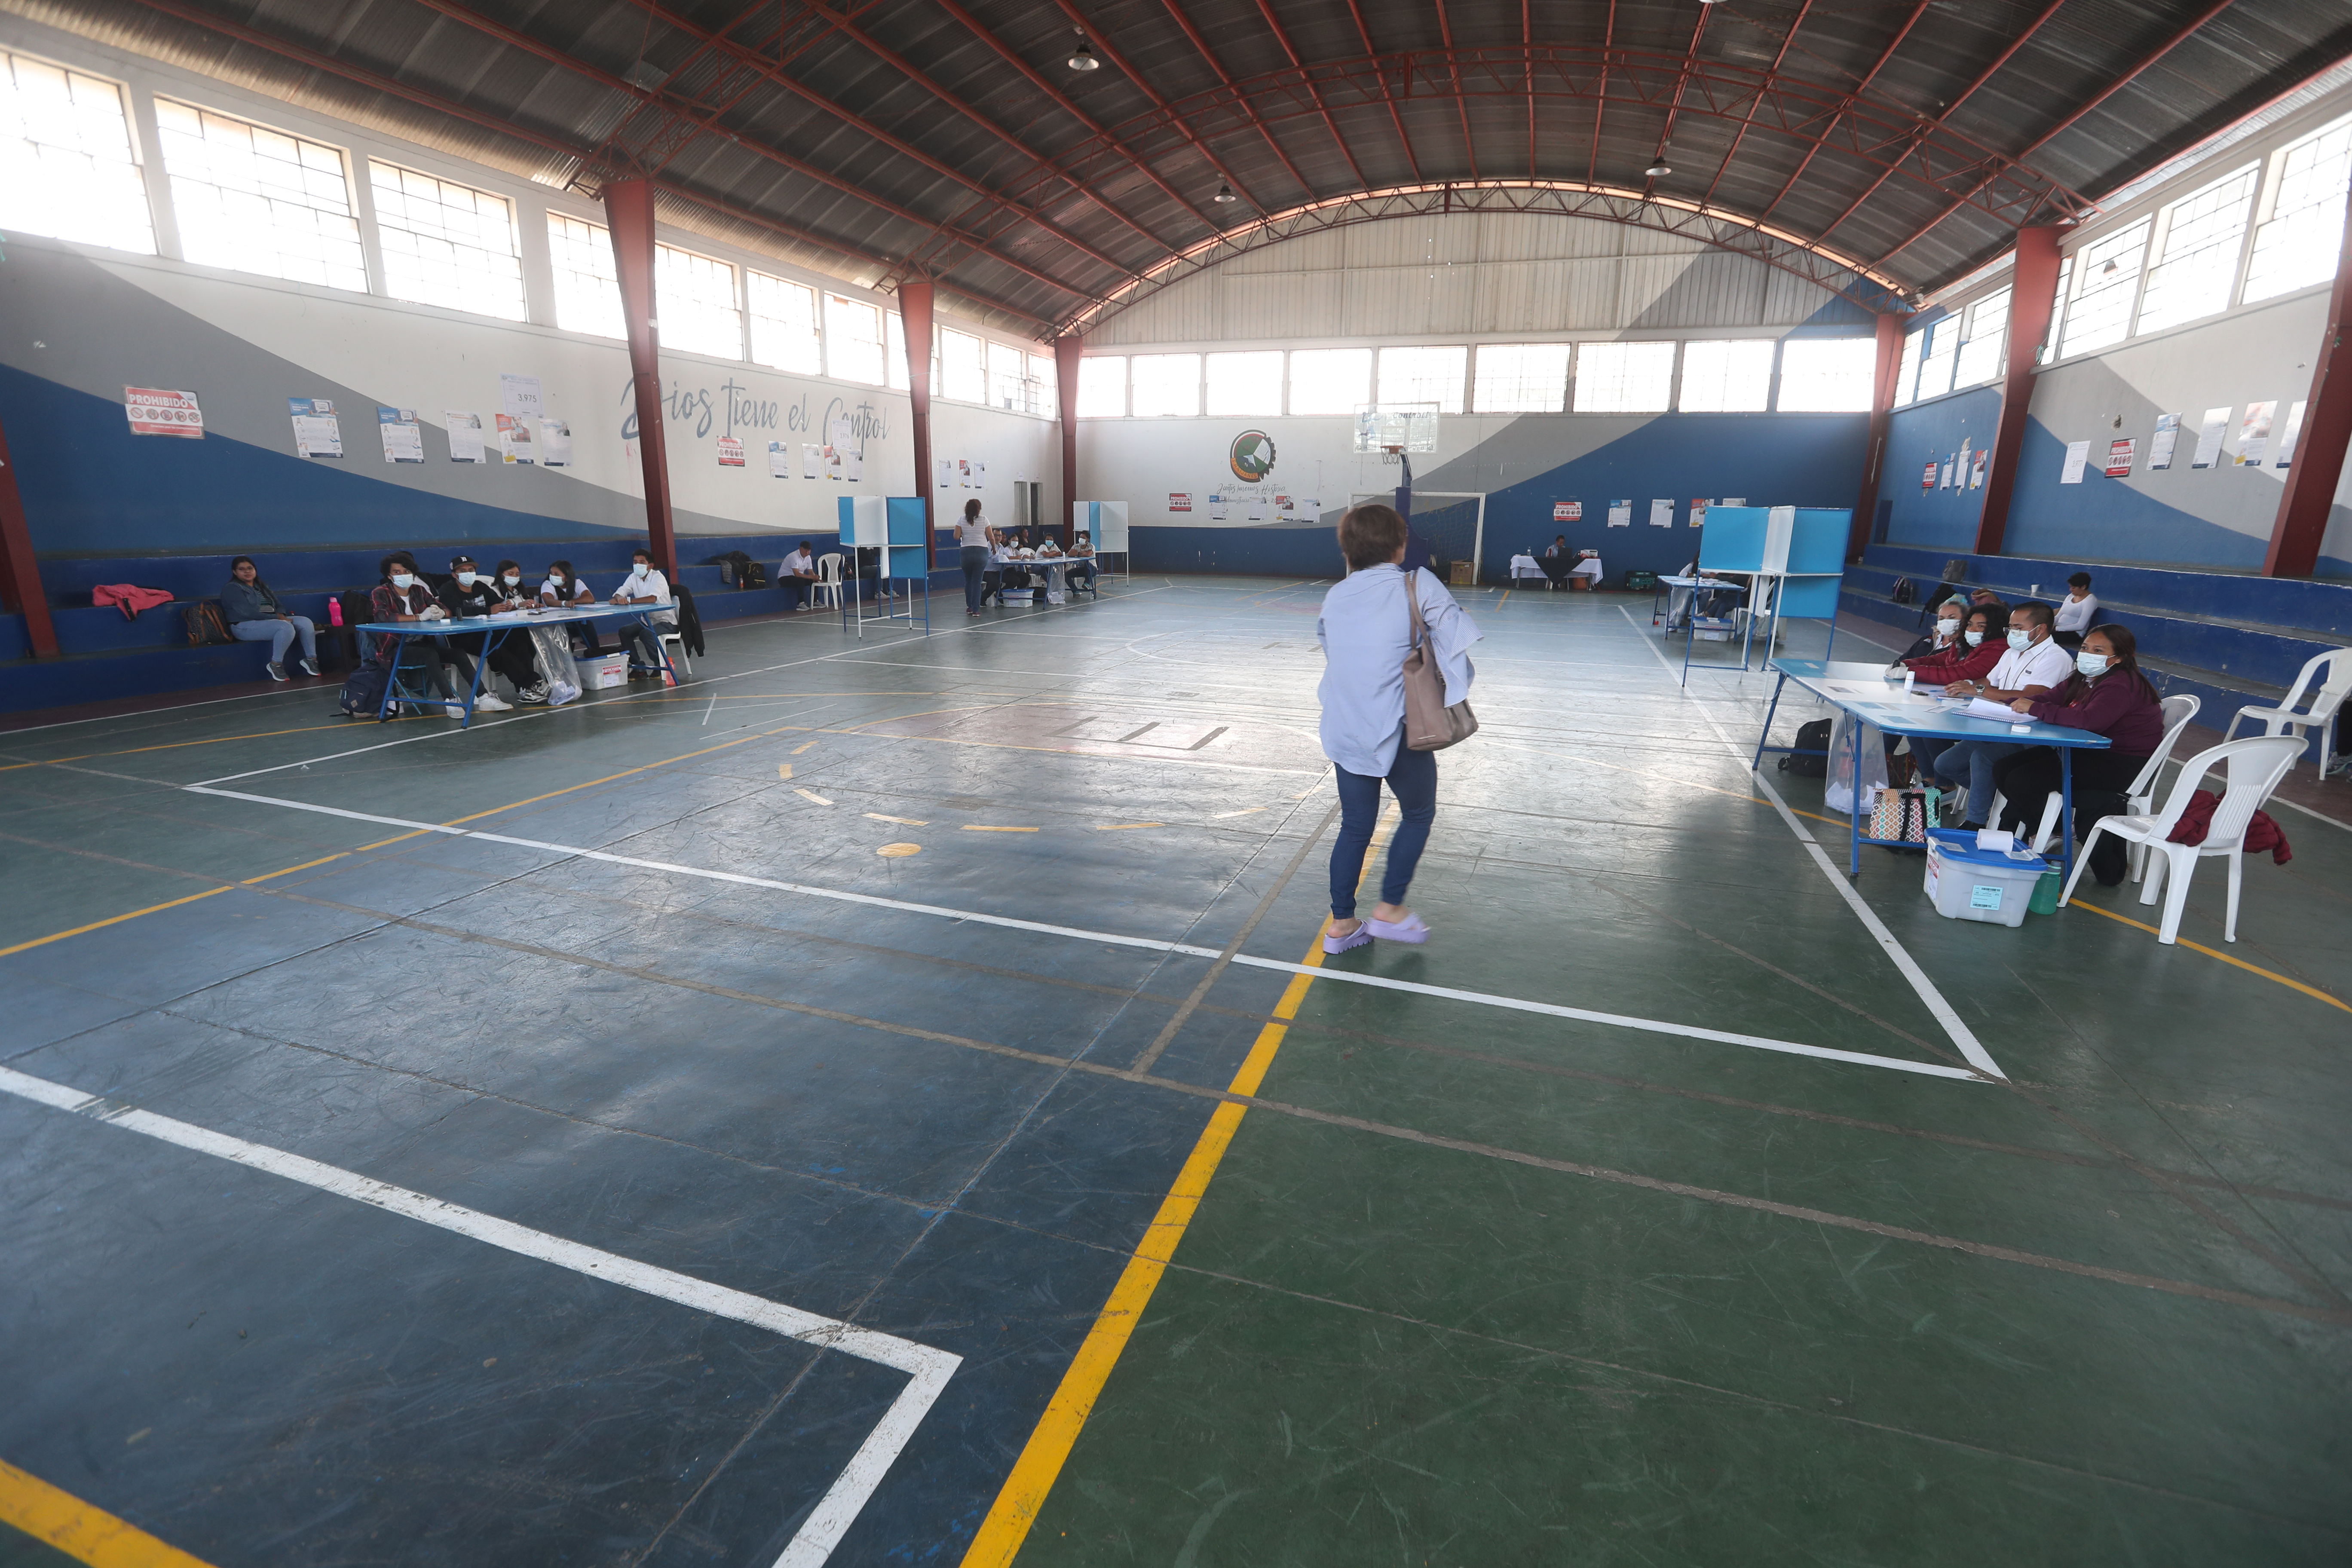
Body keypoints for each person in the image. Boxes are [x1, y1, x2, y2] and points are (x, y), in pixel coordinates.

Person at [1315, 503, 1480, 954]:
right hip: (1400, 728)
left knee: (1354, 828)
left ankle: (1343, 925)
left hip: (1346, 727)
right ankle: (1389, 908)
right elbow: (1458, 642)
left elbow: (1333, 650)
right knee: (1419, 813)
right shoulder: (1417, 582)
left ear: (1348, 549)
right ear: (1401, 544)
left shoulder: (1337, 595)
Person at [1993, 625, 2163, 885]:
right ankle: (2048, 828)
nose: (2087, 654)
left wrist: (2037, 708)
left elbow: (2090, 721)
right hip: (2089, 751)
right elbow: (2048, 698)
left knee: (2023, 780)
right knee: (2004, 768)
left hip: (2120, 763)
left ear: (2119, 657)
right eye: (2085, 648)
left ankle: (2055, 829)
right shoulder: (2084, 677)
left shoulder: (2120, 683)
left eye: (2098, 650)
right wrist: (2001, 702)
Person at [1914, 601, 2076, 827]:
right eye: (2010, 627)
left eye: (2018, 628)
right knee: (1946, 765)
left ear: (2040, 629)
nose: (2012, 633)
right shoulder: (2012, 652)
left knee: (1983, 758)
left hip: (2031, 733)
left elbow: (2031, 696)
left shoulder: (2055, 657)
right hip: (1998, 724)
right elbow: (1989, 682)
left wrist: (1978, 690)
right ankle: (2005, 798)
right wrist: (1966, 685)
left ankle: (1976, 822)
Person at [436, 553, 542, 707]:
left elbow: (498, 603)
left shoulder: (480, 586)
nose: (468, 573)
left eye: (471, 570)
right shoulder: (448, 589)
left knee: (519, 639)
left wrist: (505, 607)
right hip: (463, 635)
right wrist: (488, 610)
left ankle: (523, 689)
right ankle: (531, 682)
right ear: (454, 575)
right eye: (463, 571)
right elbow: (456, 610)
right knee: (497, 648)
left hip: (487, 630)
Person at [368, 553, 459, 712]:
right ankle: (450, 699)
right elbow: (383, 617)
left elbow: (444, 608)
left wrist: (442, 613)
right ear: (389, 576)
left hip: (420, 643)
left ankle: (483, 696)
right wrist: (418, 617)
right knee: (430, 655)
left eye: (406, 571)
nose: (403, 575)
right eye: (397, 572)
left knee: (457, 654)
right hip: (394, 648)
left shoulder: (419, 591)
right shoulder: (380, 592)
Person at [220, 555, 318, 681]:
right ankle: (276, 664)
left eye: (250, 568)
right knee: (285, 627)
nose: (247, 572)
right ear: (235, 572)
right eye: (242, 569)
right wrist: (277, 618)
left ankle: (311, 659)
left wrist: (281, 614)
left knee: (305, 622)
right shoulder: (232, 588)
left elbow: (278, 605)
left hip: (271, 621)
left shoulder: (261, 586)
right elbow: (248, 613)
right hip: (244, 626)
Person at [608, 547, 675, 677]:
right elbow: (619, 592)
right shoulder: (633, 577)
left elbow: (652, 599)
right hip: (647, 620)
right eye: (635, 562)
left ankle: (661, 665)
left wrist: (628, 601)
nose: (638, 565)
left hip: (665, 621)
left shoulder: (658, 578)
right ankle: (639, 667)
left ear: (650, 566)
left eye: (642, 562)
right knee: (625, 631)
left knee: (646, 634)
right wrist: (619, 598)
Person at [540, 559, 607, 656]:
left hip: (574, 622)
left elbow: (590, 598)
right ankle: (567, 663)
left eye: (557, 574)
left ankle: (596, 654)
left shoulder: (577, 583)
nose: (553, 576)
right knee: (566, 636)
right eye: (551, 573)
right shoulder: (547, 584)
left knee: (588, 626)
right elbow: (549, 601)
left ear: (566, 577)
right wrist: (564, 603)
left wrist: (573, 602)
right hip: (556, 624)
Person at [955, 499, 995, 616]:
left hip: (966, 551)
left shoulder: (961, 520)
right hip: (981, 551)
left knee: (968, 580)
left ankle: (970, 607)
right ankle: (977, 610)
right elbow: (991, 537)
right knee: (977, 581)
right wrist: (994, 548)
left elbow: (956, 537)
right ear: (979, 509)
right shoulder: (984, 520)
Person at [2053, 572, 2099, 648]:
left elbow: (2081, 626)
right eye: (2070, 587)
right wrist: (2051, 624)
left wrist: (2057, 629)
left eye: (2074, 588)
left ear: (2083, 587)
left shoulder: (2090, 601)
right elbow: (2058, 616)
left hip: (2074, 634)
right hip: (2059, 629)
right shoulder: (2070, 597)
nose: (2071, 590)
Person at [781, 539, 819, 610]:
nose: (807, 552)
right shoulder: (794, 556)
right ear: (801, 549)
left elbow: (810, 571)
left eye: (809, 550)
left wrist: (815, 578)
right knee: (800, 580)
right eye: (806, 550)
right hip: (784, 578)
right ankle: (800, 604)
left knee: (813, 581)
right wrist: (811, 577)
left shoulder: (808, 557)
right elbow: (797, 574)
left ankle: (815, 601)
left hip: (796, 578)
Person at [1064, 530, 1098, 595]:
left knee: (1087, 563)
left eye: (1083, 538)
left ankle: (1087, 583)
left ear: (1087, 540)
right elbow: (1070, 554)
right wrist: (1081, 553)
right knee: (1067, 575)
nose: (1081, 539)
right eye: (1080, 537)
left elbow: (1088, 554)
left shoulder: (1091, 546)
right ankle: (1076, 591)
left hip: (1092, 569)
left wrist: (1077, 554)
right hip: (1082, 569)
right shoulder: (1076, 546)